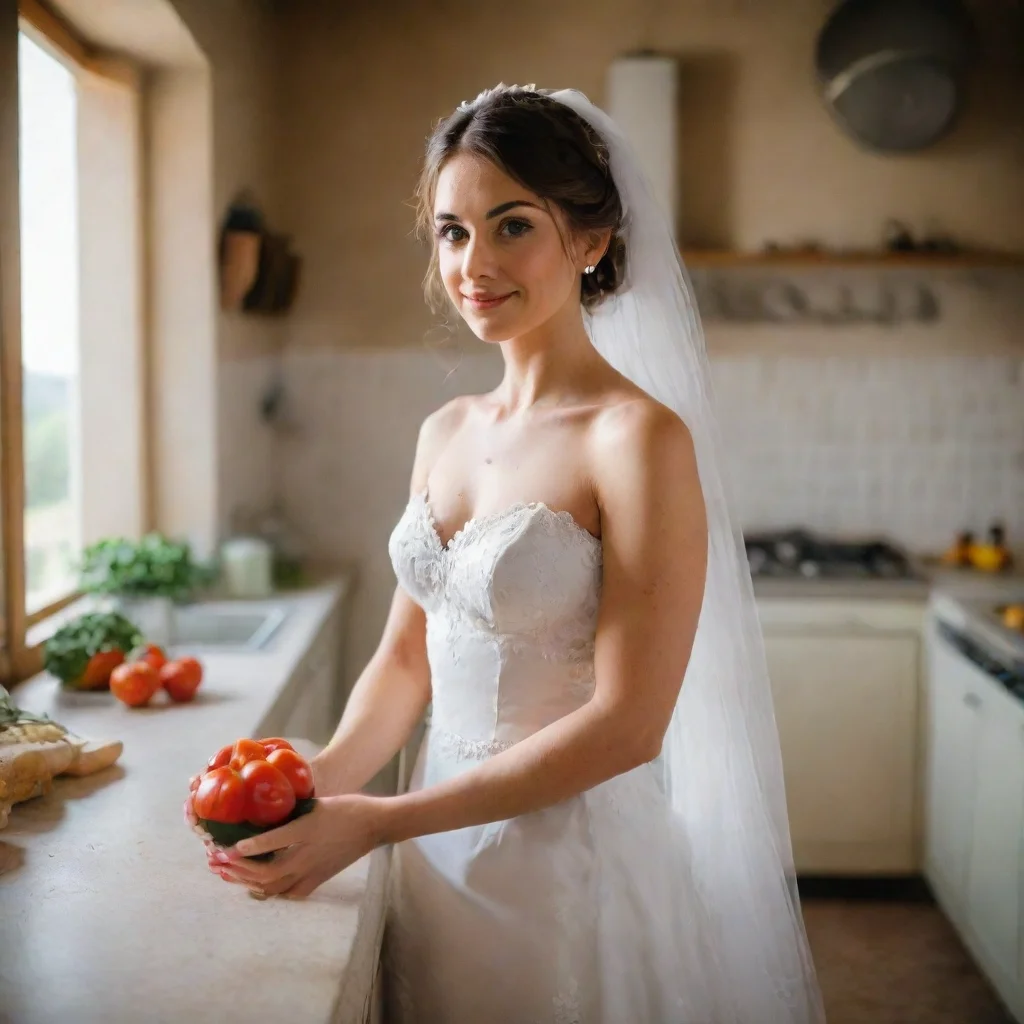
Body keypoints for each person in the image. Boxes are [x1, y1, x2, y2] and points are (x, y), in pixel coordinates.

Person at [195, 84, 826, 1023]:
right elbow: (405, 659)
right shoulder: (444, 429)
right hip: (432, 849)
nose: (473, 264)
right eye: (452, 231)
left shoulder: (638, 438)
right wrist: (313, 787)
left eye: (512, 226)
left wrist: (380, 820)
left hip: (564, 874)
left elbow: (630, 725)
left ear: (591, 241)